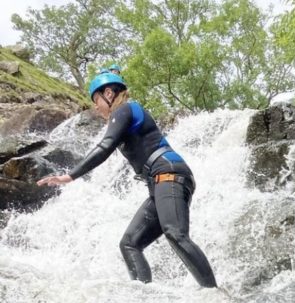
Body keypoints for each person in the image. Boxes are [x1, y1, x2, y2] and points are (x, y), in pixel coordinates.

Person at [37, 68, 217, 288]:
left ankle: (215, 295)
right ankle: (144, 299)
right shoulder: (122, 116)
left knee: (175, 233)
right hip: (160, 181)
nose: (95, 106)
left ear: (109, 94)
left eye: (96, 99)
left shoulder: (125, 109)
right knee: (130, 243)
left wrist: (70, 176)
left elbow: (104, 147)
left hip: (168, 173)